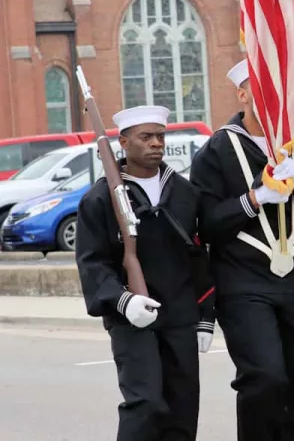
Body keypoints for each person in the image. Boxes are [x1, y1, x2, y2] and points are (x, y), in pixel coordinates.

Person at [189, 59, 294, 441]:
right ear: (242, 95)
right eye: (262, 90)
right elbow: (206, 224)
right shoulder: (217, 150)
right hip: (244, 282)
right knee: (265, 376)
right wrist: (254, 199)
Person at [75, 105, 215, 441]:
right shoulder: (100, 198)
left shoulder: (184, 192)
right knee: (145, 404)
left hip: (179, 315)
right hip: (130, 317)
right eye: (146, 137)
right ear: (123, 143)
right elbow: (92, 262)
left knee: (182, 409)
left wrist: (206, 316)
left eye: (160, 137)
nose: (156, 143)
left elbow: (199, 257)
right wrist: (123, 300)